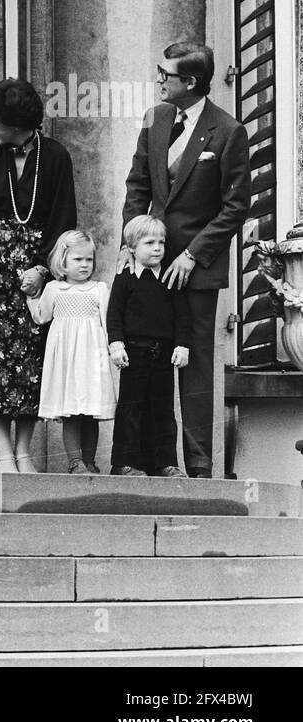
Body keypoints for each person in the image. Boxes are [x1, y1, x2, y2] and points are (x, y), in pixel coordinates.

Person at [120, 42, 249, 478]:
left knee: (193, 368)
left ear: (190, 82)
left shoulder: (228, 131)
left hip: (197, 269)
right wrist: (130, 242)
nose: (158, 79)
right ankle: (147, 461)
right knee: (143, 361)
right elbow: (138, 185)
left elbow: (235, 207)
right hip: (149, 263)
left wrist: (193, 255)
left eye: (165, 74)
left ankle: (198, 466)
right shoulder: (155, 119)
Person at [0, 78, 77, 473]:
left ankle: (26, 451)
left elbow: (64, 217)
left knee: (33, 361)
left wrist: (45, 270)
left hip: (37, 272)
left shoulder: (56, 156)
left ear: (17, 122)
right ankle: (2, 452)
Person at [108, 215, 192, 477]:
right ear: (132, 247)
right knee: (130, 408)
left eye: (161, 242)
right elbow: (114, 314)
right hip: (134, 352)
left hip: (163, 354)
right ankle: (125, 463)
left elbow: (182, 315)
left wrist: (182, 346)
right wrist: (116, 343)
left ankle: (165, 462)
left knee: (163, 410)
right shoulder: (125, 279)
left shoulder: (169, 277)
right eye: (149, 242)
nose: (157, 248)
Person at [26, 230, 116, 475]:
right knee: (72, 410)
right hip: (66, 359)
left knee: (91, 410)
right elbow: (41, 316)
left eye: (88, 259)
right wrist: (31, 297)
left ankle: (89, 461)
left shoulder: (99, 289)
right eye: (78, 259)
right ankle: (74, 461)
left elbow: (109, 324)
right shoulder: (54, 289)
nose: (84, 265)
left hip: (92, 357)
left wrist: (114, 349)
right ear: (62, 261)